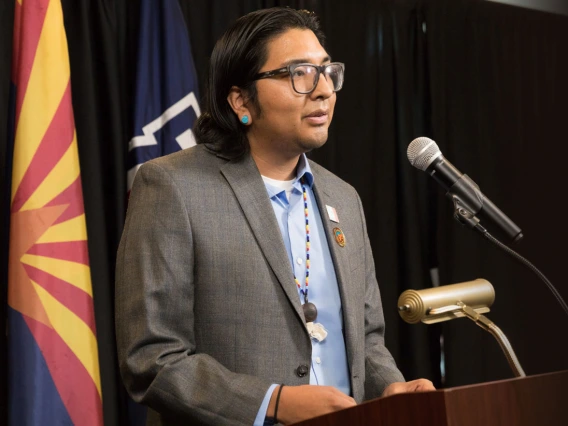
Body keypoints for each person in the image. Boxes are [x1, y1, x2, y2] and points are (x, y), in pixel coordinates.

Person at [115, 7, 434, 426]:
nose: (323, 91)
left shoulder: (344, 198)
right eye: (300, 73)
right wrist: (273, 401)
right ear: (241, 100)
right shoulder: (172, 186)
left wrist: (389, 388)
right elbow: (152, 357)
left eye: (327, 71)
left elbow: (367, 340)